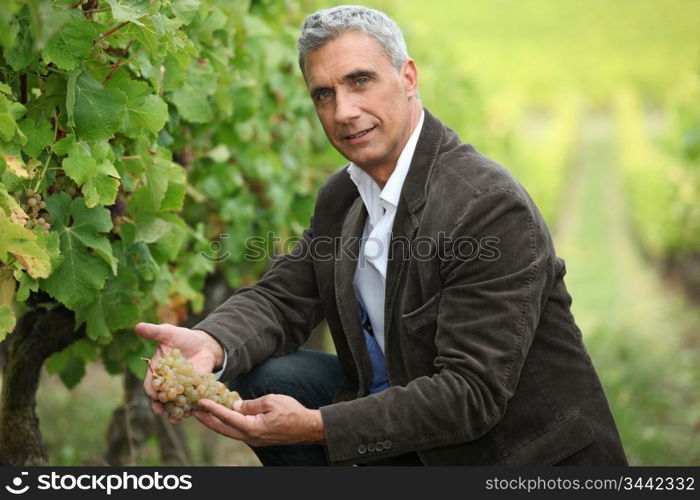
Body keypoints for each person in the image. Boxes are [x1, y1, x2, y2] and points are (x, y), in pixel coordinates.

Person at [136, 5, 628, 466]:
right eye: (323, 94)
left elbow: (471, 395)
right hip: (406, 424)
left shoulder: (486, 207)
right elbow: (283, 297)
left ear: (407, 77)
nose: (343, 111)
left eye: (360, 81)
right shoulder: (344, 196)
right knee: (266, 376)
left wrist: (318, 426)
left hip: (512, 455)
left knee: (306, 408)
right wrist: (210, 342)